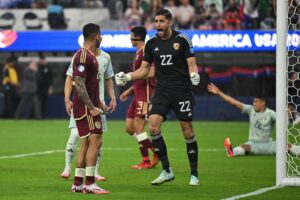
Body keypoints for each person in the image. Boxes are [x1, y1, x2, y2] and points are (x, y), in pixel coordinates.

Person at [115, 9, 201, 186]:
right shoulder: (151, 43)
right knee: (153, 127)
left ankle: (194, 174)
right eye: (156, 21)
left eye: (161, 21)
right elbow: (145, 70)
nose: (158, 25)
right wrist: (128, 76)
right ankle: (167, 170)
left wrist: (194, 75)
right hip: (161, 91)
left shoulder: (182, 40)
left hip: (181, 90)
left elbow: (192, 64)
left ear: (169, 22)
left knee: (187, 130)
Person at [60, 46, 116, 181]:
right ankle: (67, 168)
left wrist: (112, 97)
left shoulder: (106, 57)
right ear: (97, 38)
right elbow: (70, 78)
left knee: (96, 140)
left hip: (98, 104)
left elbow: (108, 79)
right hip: (82, 104)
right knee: (75, 135)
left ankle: (93, 172)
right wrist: (67, 99)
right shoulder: (79, 56)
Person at [207, 83, 300, 157]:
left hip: (268, 144)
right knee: (244, 147)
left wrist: (287, 114)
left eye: (256, 101)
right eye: (254, 101)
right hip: (253, 144)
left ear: (263, 103)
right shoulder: (250, 110)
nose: (254, 103)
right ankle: (231, 152)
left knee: (287, 145)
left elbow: (282, 121)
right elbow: (233, 102)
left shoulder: (271, 113)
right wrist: (219, 92)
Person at [70, 23, 109, 194]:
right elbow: (79, 85)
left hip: (88, 106)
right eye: (100, 35)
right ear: (96, 36)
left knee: (85, 143)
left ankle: (78, 183)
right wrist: (92, 107)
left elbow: (90, 84)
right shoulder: (83, 56)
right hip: (86, 109)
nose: (101, 38)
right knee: (96, 140)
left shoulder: (89, 56)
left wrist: (99, 102)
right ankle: (90, 183)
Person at [119, 26, 158, 170]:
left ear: (137, 37)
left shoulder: (147, 52)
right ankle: (148, 159)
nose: (130, 39)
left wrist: (130, 76)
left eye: (131, 36)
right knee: (130, 128)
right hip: (137, 94)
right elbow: (139, 77)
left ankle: (152, 156)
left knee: (139, 127)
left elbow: (153, 71)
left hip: (146, 94)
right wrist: (129, 90)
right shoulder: (138, 53)